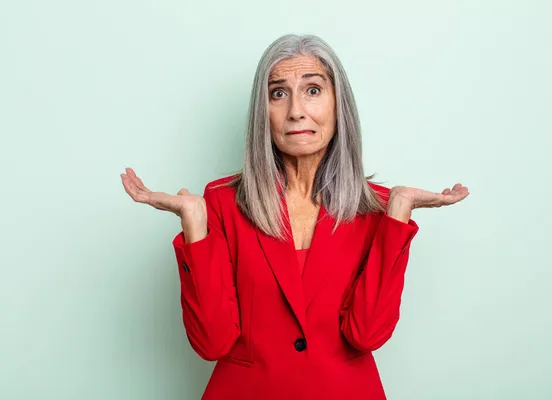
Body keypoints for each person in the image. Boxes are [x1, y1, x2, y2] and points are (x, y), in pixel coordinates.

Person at [121, 34, 469, 400]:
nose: (296, 111)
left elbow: (366, 335)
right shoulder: (221, 203)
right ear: (262, 112)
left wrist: (398, 213)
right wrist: (194, 221)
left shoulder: (378, 209)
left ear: (339, 105)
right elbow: (212, 343)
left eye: (313, 90)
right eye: (278, 93)